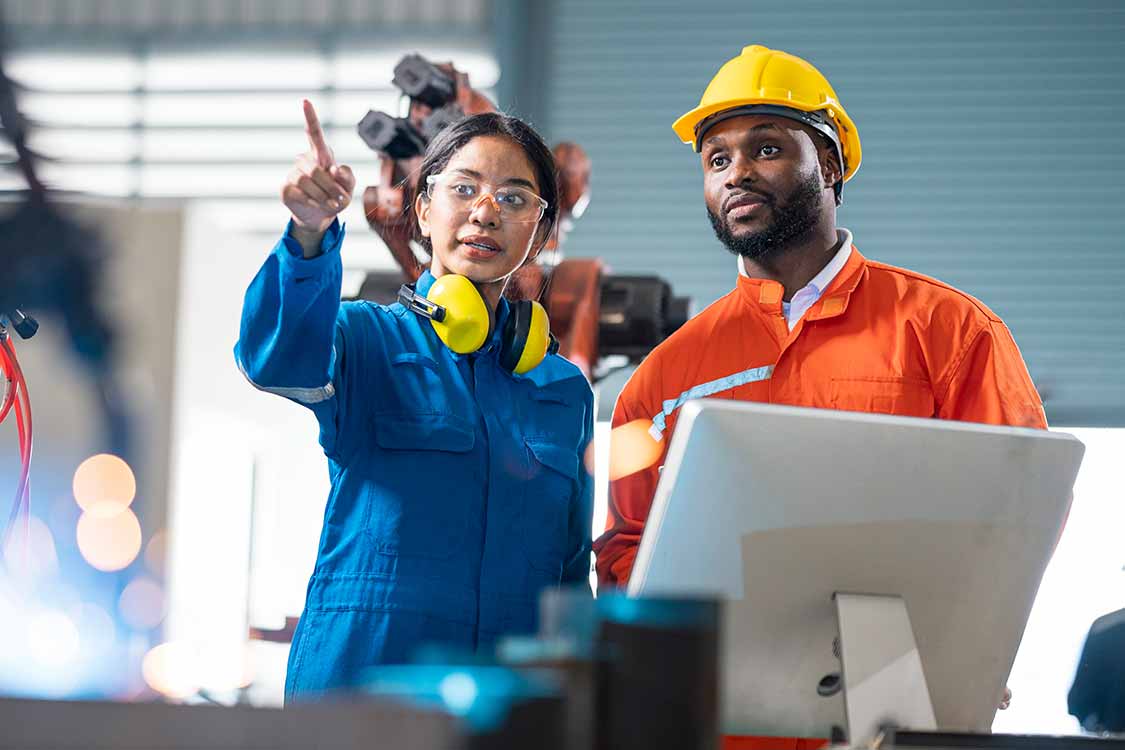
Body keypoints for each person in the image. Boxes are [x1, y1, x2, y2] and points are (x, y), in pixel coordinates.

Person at [594, 44, 1047, 591]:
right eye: (717, 159)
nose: (737, 173)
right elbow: (626, 551)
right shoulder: (661, 379)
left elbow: (1022, 507)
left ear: (829, 165)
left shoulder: (948, 329)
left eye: (766, 148)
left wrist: (959, 649)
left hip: (904, 663)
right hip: (723, 668)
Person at [235, 101, 594, 701]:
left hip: (508, 706)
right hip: (362, 695)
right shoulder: (366, 340)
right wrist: (308, 234)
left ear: (540, 231)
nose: (485, 211)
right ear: (424, 211)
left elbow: (568, 577)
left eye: (514, 198)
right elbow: (277, 359)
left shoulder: (561, 390)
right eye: (464, 189)